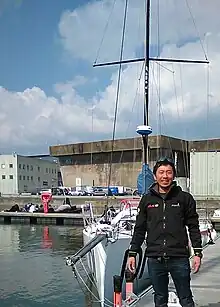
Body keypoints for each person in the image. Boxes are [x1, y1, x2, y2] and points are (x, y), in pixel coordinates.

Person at [127, 157, 202, 307]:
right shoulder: (147, 200)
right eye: (161, 172)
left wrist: (198, 253)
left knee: (186, 298)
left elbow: (193, 226)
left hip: (179, 258)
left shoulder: (184, 198)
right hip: (155, 258)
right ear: (155, 176)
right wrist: (132, 252)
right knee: (160, 299)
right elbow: (140, 229)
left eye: (168, 172)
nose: (165, 176)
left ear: (173, 175)